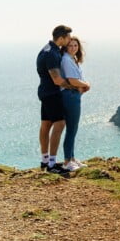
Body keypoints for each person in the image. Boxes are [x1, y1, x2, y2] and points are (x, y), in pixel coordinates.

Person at [36, 24, 73, 176]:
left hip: (44, 92)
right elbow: (57, 79)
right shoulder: (51, 53)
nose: (70, 40)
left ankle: (45, 161)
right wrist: (74, 86)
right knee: (60, 123)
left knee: (46, 124)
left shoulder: (47, 49)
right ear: (61, 38)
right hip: (51, 94)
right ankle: (52, 164)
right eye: (68, 37)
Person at [60, 36, 90, 171]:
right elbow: (72, 80)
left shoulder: (72, 59)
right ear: (66, 47)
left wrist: (82, 87)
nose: (73, 48)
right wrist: (87, 84)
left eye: (75, 45)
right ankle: (67, 161)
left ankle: (72, 158)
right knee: (71, 128)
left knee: (73, 128)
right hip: (70, 96)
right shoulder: (66, 60)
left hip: (73, 95)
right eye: (70, 45)